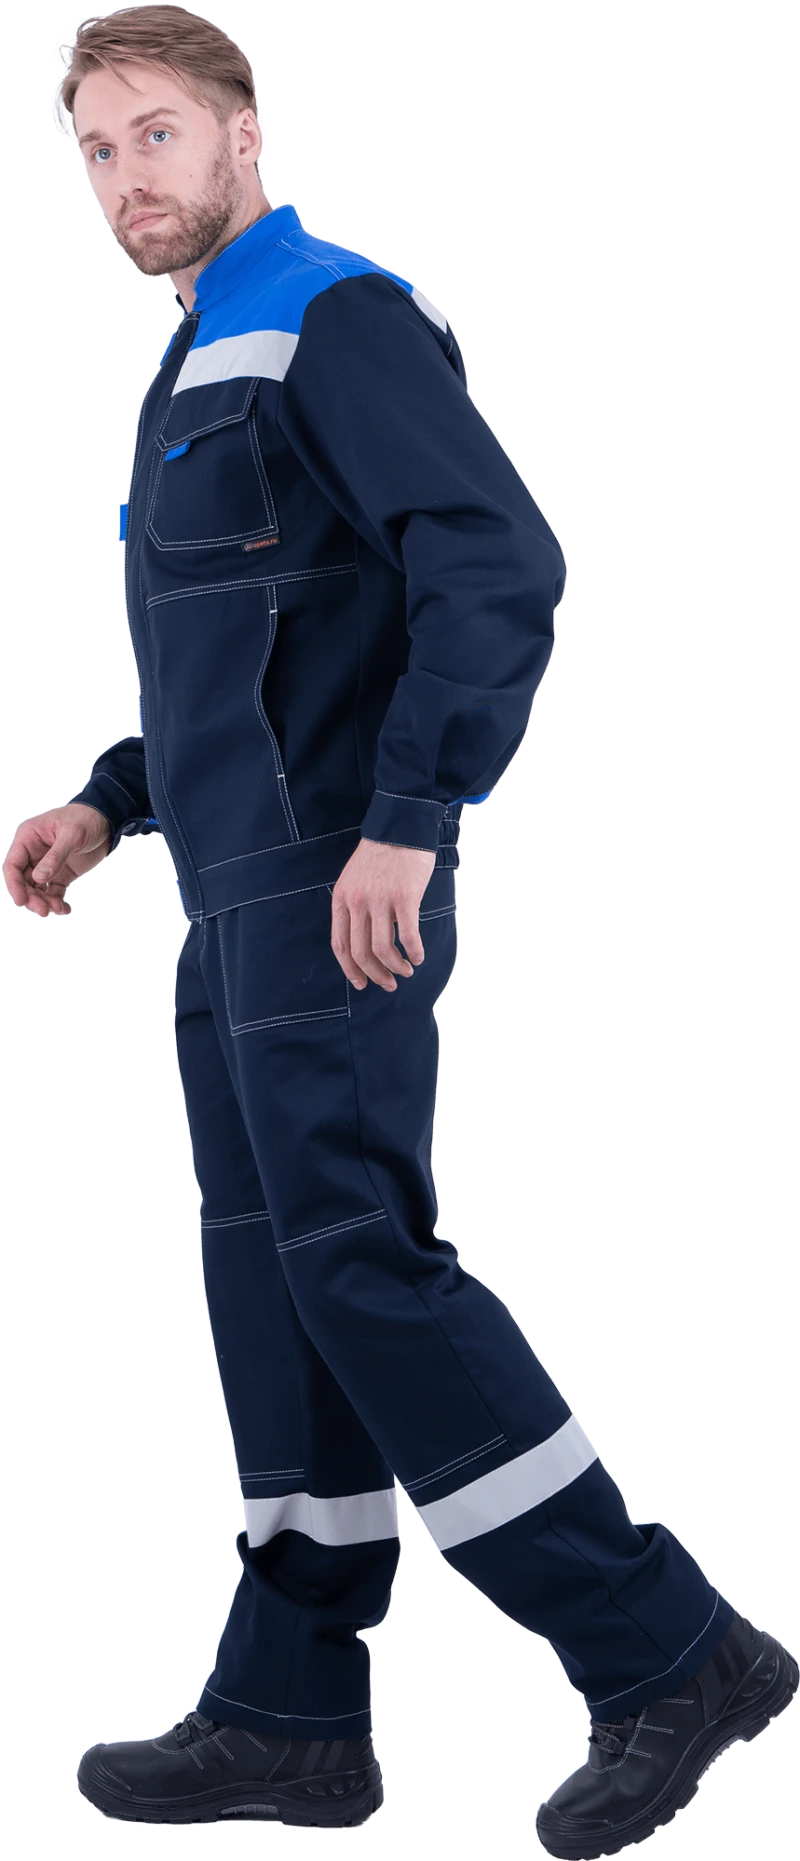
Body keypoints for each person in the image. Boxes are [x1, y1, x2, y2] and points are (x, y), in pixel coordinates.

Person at [10, 8, 796, 1847]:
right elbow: (254, 645)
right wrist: (111, 802)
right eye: (95, 151)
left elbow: (497, 559)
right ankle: (293, 1713)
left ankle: (666, 1646)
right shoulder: (203, 353)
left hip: (331, 892)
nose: (124, 179)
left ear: (246, 134)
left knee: (363, 1266)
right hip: (229, 900)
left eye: (154, 134)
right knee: (279, 1288)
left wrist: (413, 819)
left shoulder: (332, 313)